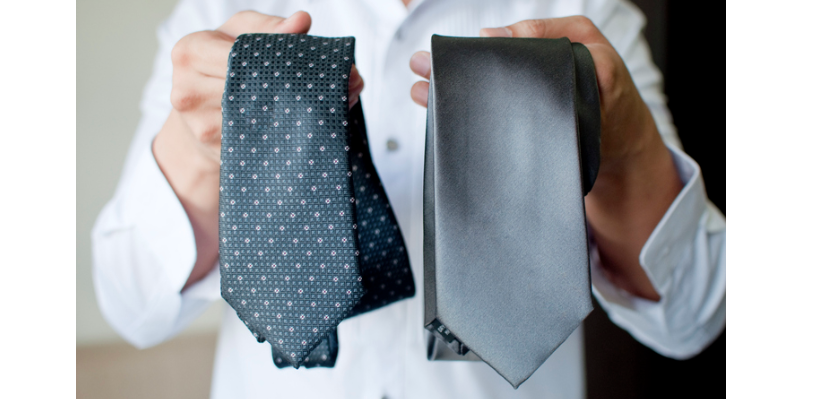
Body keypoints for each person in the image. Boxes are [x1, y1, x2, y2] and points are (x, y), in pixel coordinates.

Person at [92, 0, 726, 397]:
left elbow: (693, 314)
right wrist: (197, 144)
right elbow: (134, 305)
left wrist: (622, 143)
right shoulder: (217, 14)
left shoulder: (584, 14)